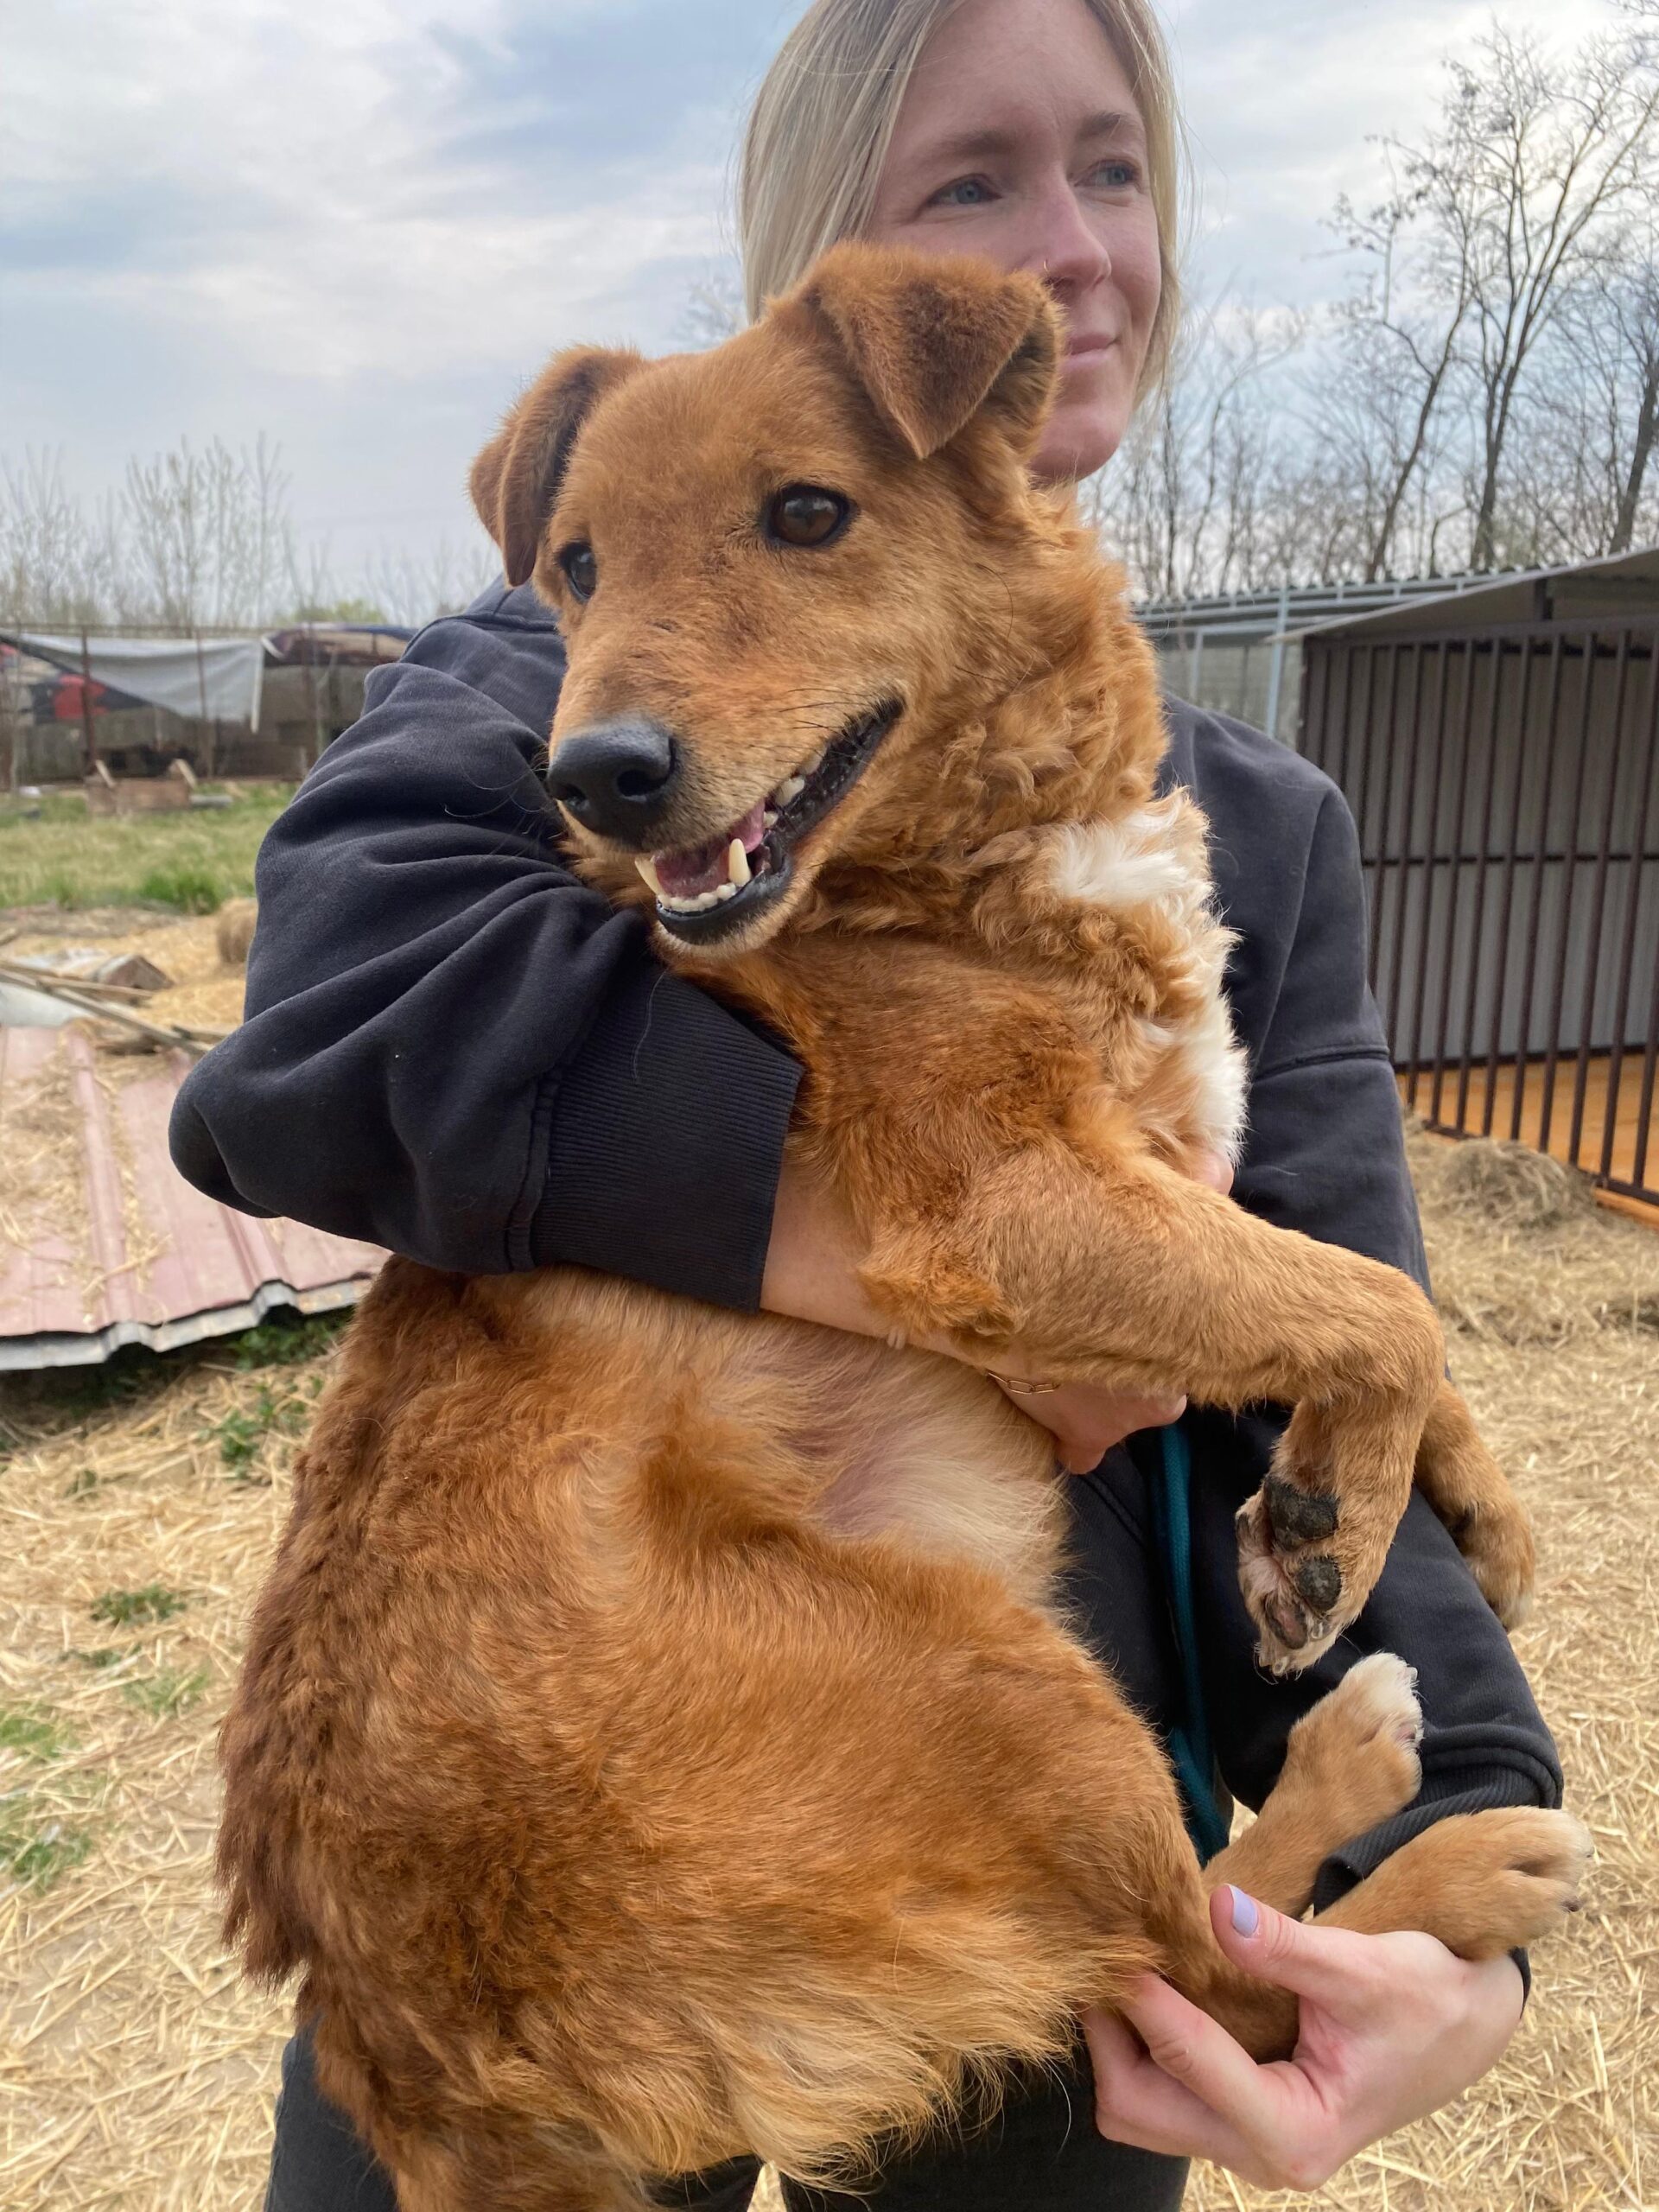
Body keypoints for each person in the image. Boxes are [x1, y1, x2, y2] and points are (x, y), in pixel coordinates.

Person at [171, 1, 1563, 2204]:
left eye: (1114, 168)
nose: (1067, 250)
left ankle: (1245, 1924)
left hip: (1033, 1733)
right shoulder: (549, 691)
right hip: (593, 1695)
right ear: (831, 267)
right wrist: (913, 1247)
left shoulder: (1269, 821)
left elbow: (1313, 1309)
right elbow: (325, 1020)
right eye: (970, 184)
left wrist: (1463, 1769)